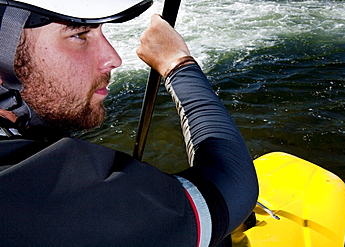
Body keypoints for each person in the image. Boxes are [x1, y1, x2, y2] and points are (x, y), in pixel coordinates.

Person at [0, 0, 258, 246]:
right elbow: (232, 185)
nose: (113, 58)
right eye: (79, 35)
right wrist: (177, 63)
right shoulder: (47, 195)